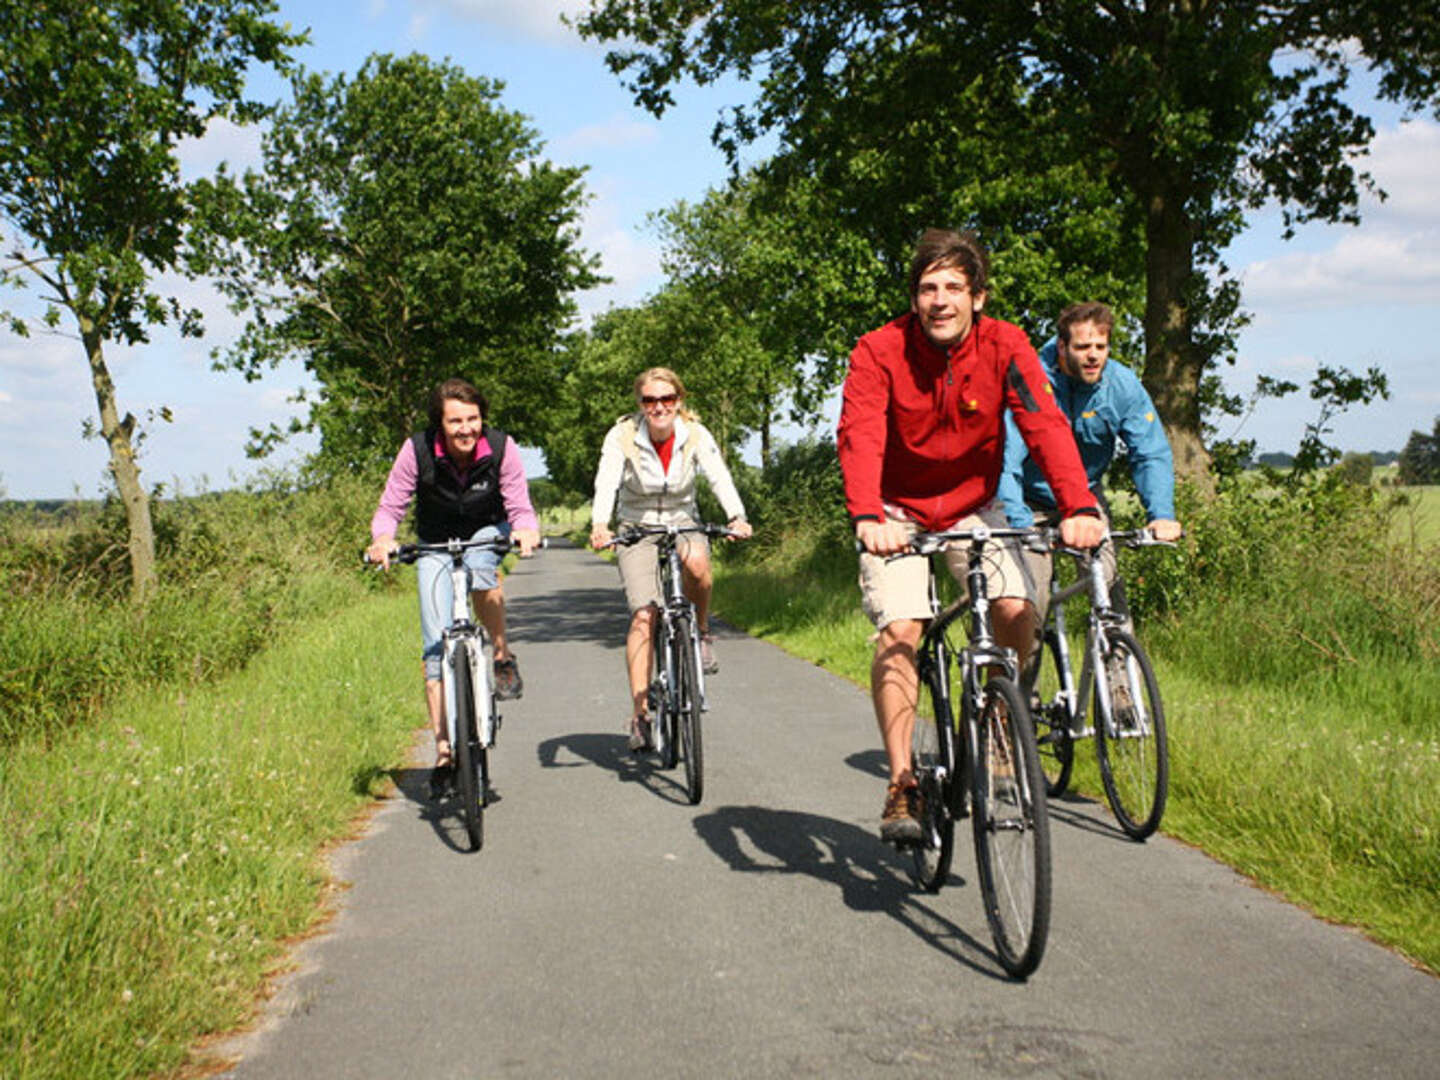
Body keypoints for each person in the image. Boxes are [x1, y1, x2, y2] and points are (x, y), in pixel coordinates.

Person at [837, 228, 1105, 844]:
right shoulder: (879, 350)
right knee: (902, 629)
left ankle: (996, 719)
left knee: (1017, 608)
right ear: (914, 298)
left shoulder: (1006, 345)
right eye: (928, 288)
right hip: (895, 509)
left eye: (954, 287)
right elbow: (860, 433)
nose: (940, 300)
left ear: (977, 297)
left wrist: (1078, 504)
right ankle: (903, 784)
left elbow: (1044, 423)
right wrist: (867, 517)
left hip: (973, 506)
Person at [365, 378, 541, 794]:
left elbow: (518, 501)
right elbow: (392, 504)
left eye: (473, 419)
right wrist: (382, 539)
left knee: (481, 565)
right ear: (440, 425)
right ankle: (444, 752)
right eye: (456, 421)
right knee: (433, 643)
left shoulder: (501, 447)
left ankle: (499, 653)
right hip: (435, 541)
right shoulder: (417, 450)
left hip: (486, 527)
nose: (466, 429)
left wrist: (526, 530)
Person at [995, 301, 1183, 657]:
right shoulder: (1033, 380)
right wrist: (1021, 526)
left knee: (1108, 590)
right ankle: (1020, 700)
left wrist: (1161, 513)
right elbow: (1006, 463)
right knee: (1028, 601)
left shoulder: (1121, 384)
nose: (1094, 356)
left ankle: (1123, 704)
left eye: (1101, 347)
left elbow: (1150, 452)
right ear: (1062, 347)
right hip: (1027, 501)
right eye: (1083, 347)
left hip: (1083, 498)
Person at [589, 367, 753, 752]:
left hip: (682, 519)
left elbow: (718, 476)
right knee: (644, 614)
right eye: (650, 400)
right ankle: (640, 714)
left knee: (698, 566)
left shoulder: (695, 433)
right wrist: (600, 524)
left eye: (666, 399)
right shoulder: (622, 435)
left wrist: (737, 516)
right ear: (640, 404)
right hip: (637, 523)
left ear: (678, 401)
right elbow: (607, 480)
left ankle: (701, 632)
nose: (658, 407)